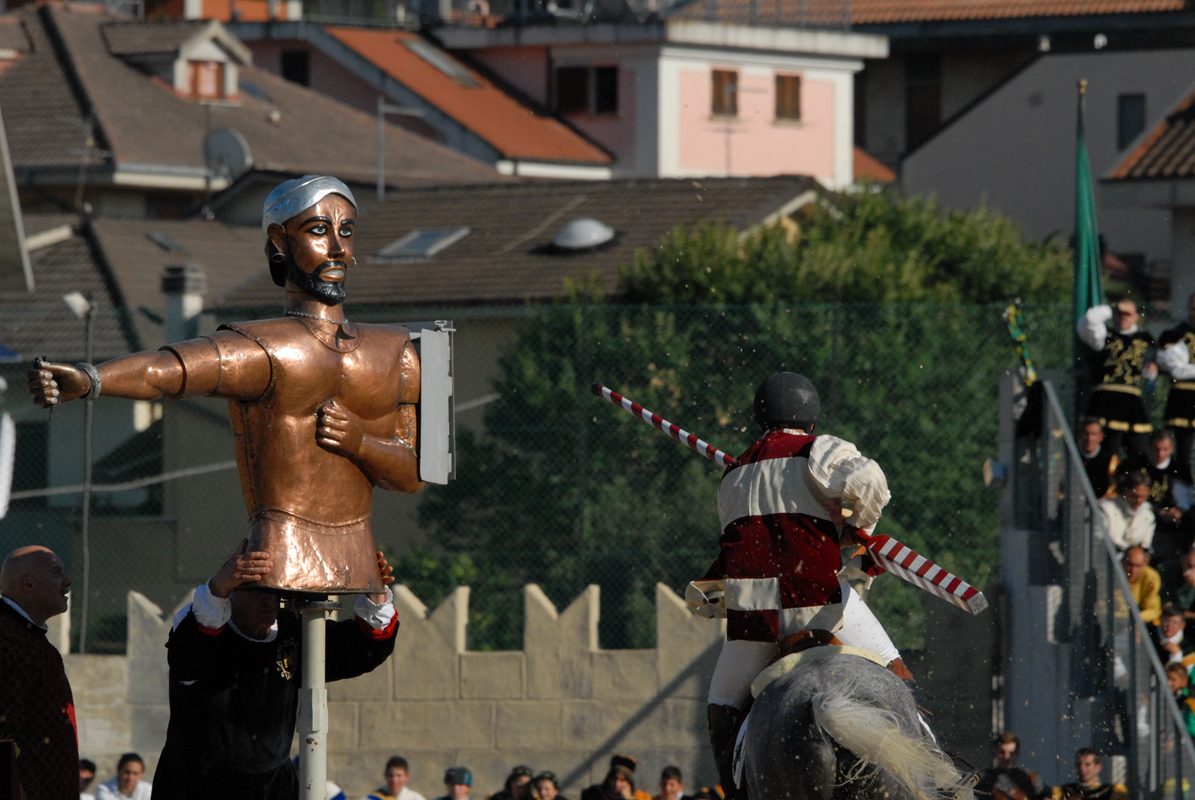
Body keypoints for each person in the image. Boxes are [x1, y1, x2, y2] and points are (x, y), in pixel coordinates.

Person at [28, 175, 424, 595]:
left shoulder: (394, 351)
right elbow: (165, 372)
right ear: (279, 240)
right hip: (282, 554)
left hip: (359, 556)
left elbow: (413, 474)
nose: (338, 248)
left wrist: (360, 442)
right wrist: (91, 379)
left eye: (346, 231)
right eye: (319, 231)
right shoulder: (264, 349)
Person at [686, 373, 911, 798]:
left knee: (721, 704)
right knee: (895, 672)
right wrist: (854, 525)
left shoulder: (731, 478)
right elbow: (871, 482)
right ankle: (932, 774)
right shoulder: (819, 449)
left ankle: (734, 794)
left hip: (756, 618)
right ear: (810, 417)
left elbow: (743, 552)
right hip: (821, 603)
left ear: (760, 417)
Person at [150, 541, 399, 798]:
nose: (268, 599)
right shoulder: (201, 627)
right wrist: (218, 586)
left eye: (274, 591)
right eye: (258, 590)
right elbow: (187, 660)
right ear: (232, 593)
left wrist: (375, 588)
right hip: (199, 787)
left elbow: (363, 650)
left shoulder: (292, 632)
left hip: (272, 789)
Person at [0, 545, 78, 800]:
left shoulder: (29, 640)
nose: (67, 581)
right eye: (57, 572)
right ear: (28, 584)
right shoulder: (8, 641)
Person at [1077, 298, 1156, 461]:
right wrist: (1112, 308)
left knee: (1140, 454)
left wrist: (1152, 369)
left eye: (1127, 313)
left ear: (1136, 317)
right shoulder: (1103, 335)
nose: (1123, 317)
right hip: (1105, 402)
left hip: (1132, 404)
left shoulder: (1145, 339)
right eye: (1119, 313)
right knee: (1106, 454)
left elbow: (1153, 366)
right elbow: (1088, 321)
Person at [1120, 429, 1192, 559]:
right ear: (1149, 447)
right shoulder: (1137, 465)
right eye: (1156, 449)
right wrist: (1159, 511)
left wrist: (1178, 511)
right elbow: (1131, 495)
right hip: (1144, 510)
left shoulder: (1179, 467)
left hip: (1172, 515)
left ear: (1171, 448)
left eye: (1165, 449)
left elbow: (1183, 498)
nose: (1160, 453)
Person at [1156, 290, 1195, 467]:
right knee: (1184, 452)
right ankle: (1182, 493)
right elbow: (1177, 371)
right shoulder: (1176, 334)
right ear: (1188, 308)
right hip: (1184, 399)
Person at [974, 732, 1046, 800]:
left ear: (1017, 754)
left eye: (1011, 753)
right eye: (1002, 752)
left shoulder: (1031, 778)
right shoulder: (984, 779)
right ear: (995, 753)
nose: (1007, 757)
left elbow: (1047, 796)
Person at [1100, 470, 1155, 553]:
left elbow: (1145, 547)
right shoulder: (1105, 509)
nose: (1139, 501)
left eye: (1143, 497)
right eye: (1134, 496)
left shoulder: (1149, 516)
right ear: (1124, 491)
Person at [1049, 748, 1129, 800]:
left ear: (1098, 767)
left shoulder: (1112, 791)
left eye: (1087, 764)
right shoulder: (1064, 791)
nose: (1082, 768)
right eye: (1079, 765)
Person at [1079, 417, 1119, 499]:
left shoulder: (1110, 459)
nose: (1089, 438)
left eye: (1093, 434)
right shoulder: (1071, 457)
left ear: (1101, 436)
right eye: (1086, 434)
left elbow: (1113, 487)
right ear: (1080, 434)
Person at [580, 756, 651, 800]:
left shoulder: (641, 797)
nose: (617, 783)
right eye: (614, 779)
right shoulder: (594, 794)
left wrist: (629, 798)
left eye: (622, 780)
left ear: (629, 782)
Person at [1125, 545, 1163, 624]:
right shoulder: (1111, 575)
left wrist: (1137, 617)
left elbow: (1153, 610)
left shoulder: (1151, 577)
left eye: (1138, 566)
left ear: (1145, 563)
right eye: (1129, 564)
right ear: (1123, 562)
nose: (1133, 570)